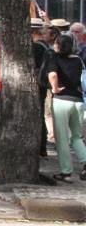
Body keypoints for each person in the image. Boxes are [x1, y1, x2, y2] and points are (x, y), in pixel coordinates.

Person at [46, 34, 86, 183]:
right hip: (77, 100)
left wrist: (55, 89)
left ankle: (66, 171)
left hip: (62, 101)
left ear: (57, 45)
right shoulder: (78, 60)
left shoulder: (54, 58)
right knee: (76, 136)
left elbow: (53, 75)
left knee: (62, 139)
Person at [31, 18, 53, 156]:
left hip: (37, 84)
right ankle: (42, 146)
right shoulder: (46, 45)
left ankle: (40, 146)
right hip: (43, 84)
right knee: (40, 116)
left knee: (36, 116)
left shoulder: (36, 47)